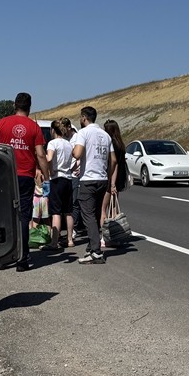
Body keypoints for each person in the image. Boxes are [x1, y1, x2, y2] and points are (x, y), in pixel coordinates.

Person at [0, 92, 50, 271]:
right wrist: (46, 177)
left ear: (15, 105)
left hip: (4, 175)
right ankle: (22, 259)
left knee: (3, 216)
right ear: (29, 107)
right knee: (23, 217)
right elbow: (40, 154)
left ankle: (1, 258)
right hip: (25, 176)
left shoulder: (1, 123)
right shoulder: (33, 127)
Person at [71, 106, 116, 264]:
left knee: (88, 215)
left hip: (88, 178)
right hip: (102, 179)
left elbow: (77, 153)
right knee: (96, 215)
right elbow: (114, 160)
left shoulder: (83, 133)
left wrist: (73, 151)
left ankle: (96, 251)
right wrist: (108, 177)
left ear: (84, 118)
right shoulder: (105, 135)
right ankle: (91, 247)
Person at [46, 119, 75, 249]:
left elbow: (49, 158)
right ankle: (70, 240)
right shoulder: (68, 144)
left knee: (56, 212)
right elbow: (76, 158)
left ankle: (54, 241)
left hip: (57, 178)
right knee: (68, 211)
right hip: (68, 178)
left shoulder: (52, 143)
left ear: (53, 130)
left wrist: (49, 169)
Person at [101, 119, 128, 235]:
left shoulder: (110, 144)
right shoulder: (120, 144)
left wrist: (111, 183)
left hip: (110, 178)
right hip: (120, 177)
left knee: (103, 208)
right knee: (114, 207)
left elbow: (113, 163)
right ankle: (116, 232)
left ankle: (105, 235)